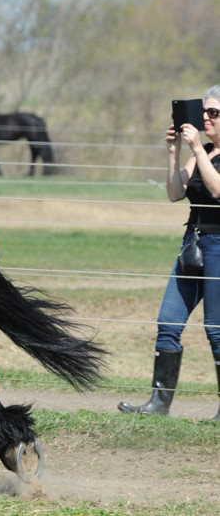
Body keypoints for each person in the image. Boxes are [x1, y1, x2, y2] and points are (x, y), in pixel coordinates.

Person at [119, 86, 220, 420]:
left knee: (216, 328)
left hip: (219, 247)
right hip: (193, 244)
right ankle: (158, 405)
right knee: (168, 322)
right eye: (205, 112)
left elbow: (218, 190)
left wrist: (197, 149)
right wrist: (175, 153)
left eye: (214, 113)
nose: (206, 118)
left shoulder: (203, 152)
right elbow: (175, 193)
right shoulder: (201, 151)